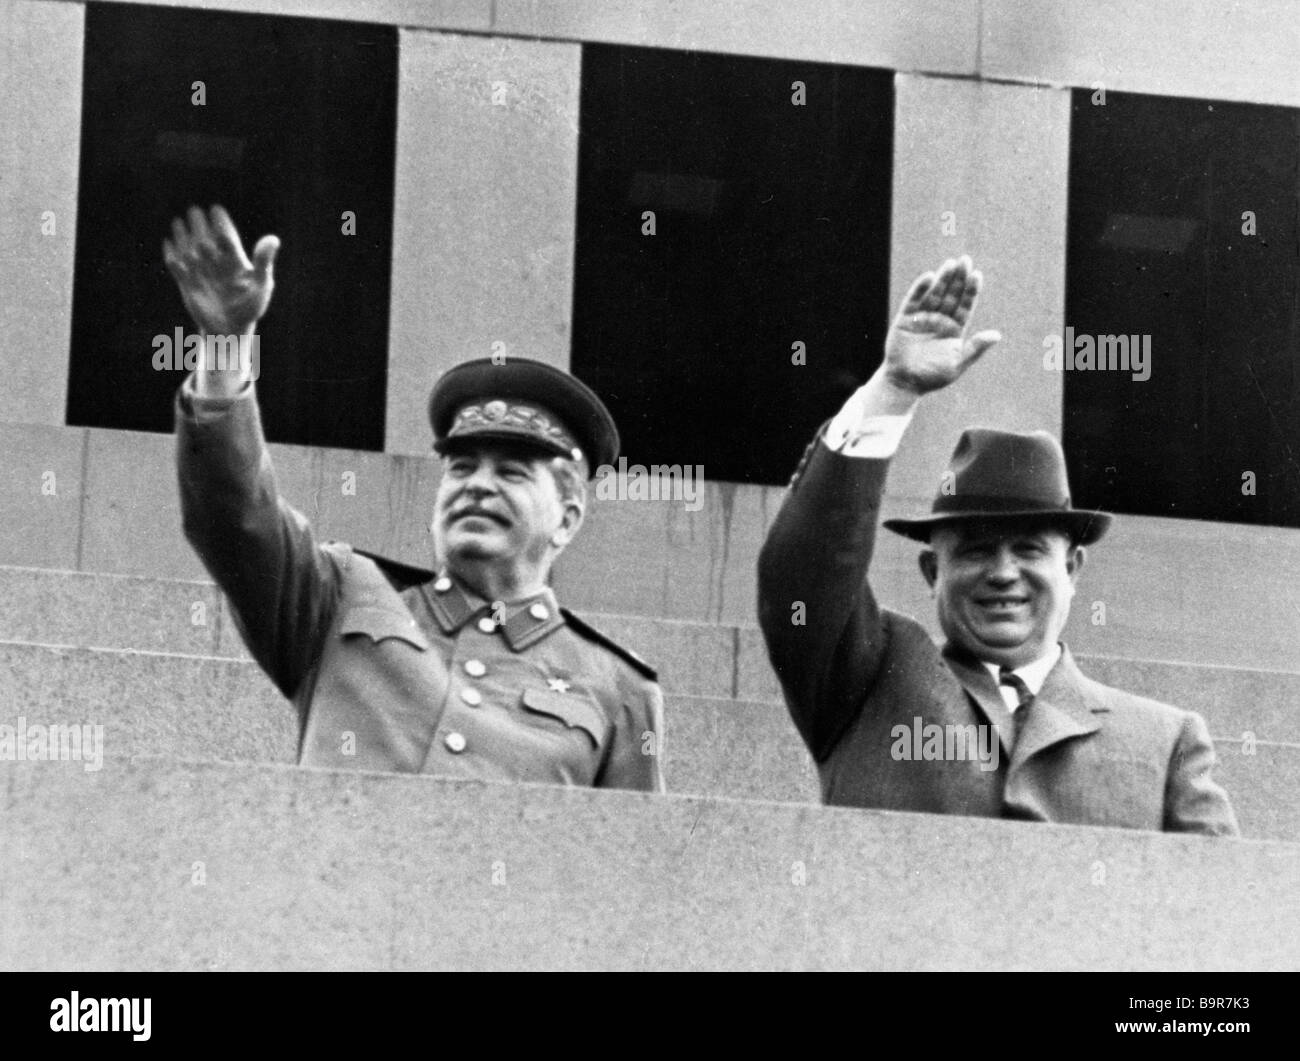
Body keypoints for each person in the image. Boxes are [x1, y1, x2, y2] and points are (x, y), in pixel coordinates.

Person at [165, 205, 663, 791]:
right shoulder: (340, 594)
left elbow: (629, 868)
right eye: (461, 466)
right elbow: (232, 515)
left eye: (511, 472)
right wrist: (226, 346)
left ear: (569, 515)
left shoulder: (620, 690)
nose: (478, 484)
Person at [757, 255, 1238, 834]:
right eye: (977, 550)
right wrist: (893, 390)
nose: (1004, 572)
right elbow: (802, 578)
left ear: (1073, 566)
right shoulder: (865, 679)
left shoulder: (1166, 741)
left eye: (1030, 549)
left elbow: (1215, 911)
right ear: (933, 570)